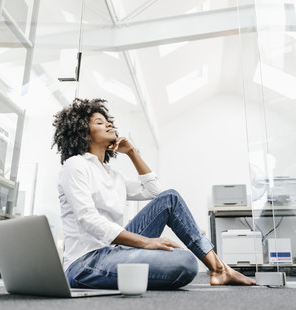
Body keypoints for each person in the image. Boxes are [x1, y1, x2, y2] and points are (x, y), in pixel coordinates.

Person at [52, 98, 255, 289]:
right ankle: (218, 269)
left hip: (113, 252)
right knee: (185, 262)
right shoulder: (75, 165)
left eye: (108, 121)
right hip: (85, 263)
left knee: (170, 199)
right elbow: (89, 219)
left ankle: (219, 268)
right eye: (99, 122)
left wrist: (132, 152)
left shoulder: (112, 175)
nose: (109, 125)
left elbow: (155, 191)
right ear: (85, 133)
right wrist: (147, 242)